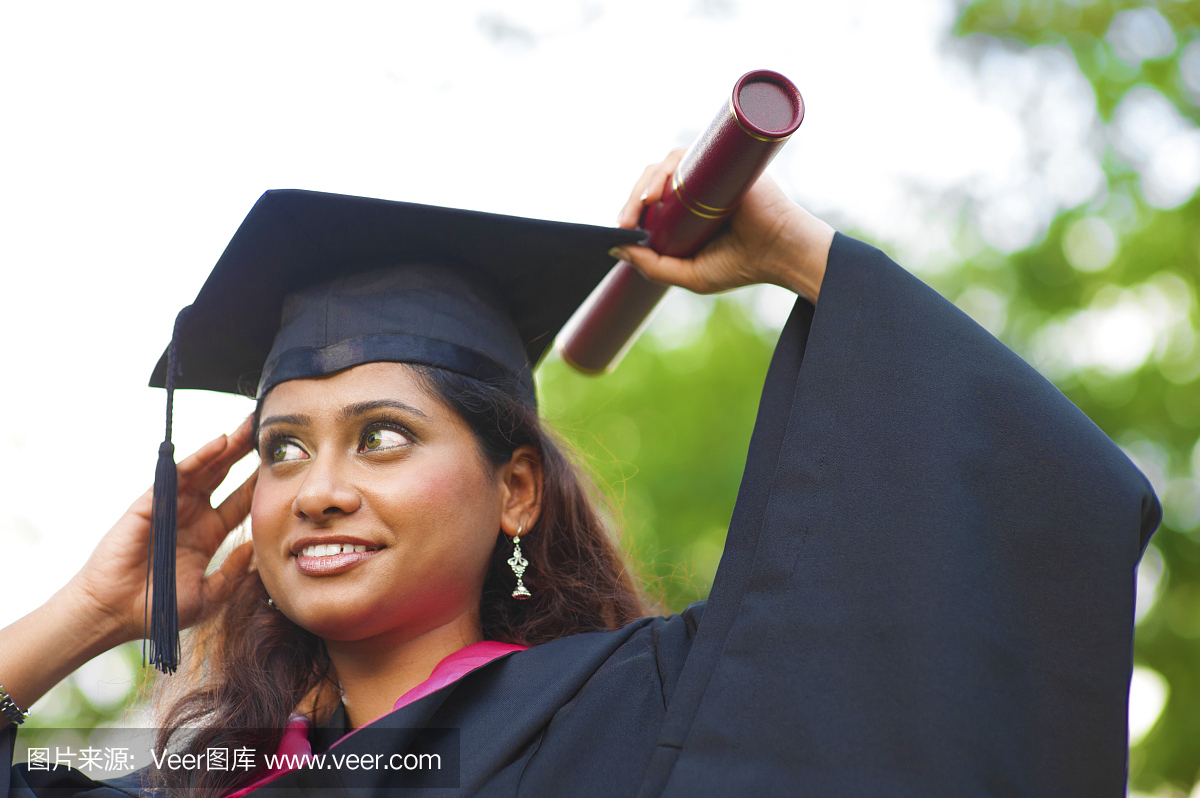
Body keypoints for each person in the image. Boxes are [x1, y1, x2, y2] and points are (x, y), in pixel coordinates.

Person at [0, 150, 1161, 798]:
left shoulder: (642, 713)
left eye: (385, 436)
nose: (318, 488)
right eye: (281, 447)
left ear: (516, 489)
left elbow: (1002, 554)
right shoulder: (198, 790)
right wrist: (84, 617)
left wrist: (801, 256)